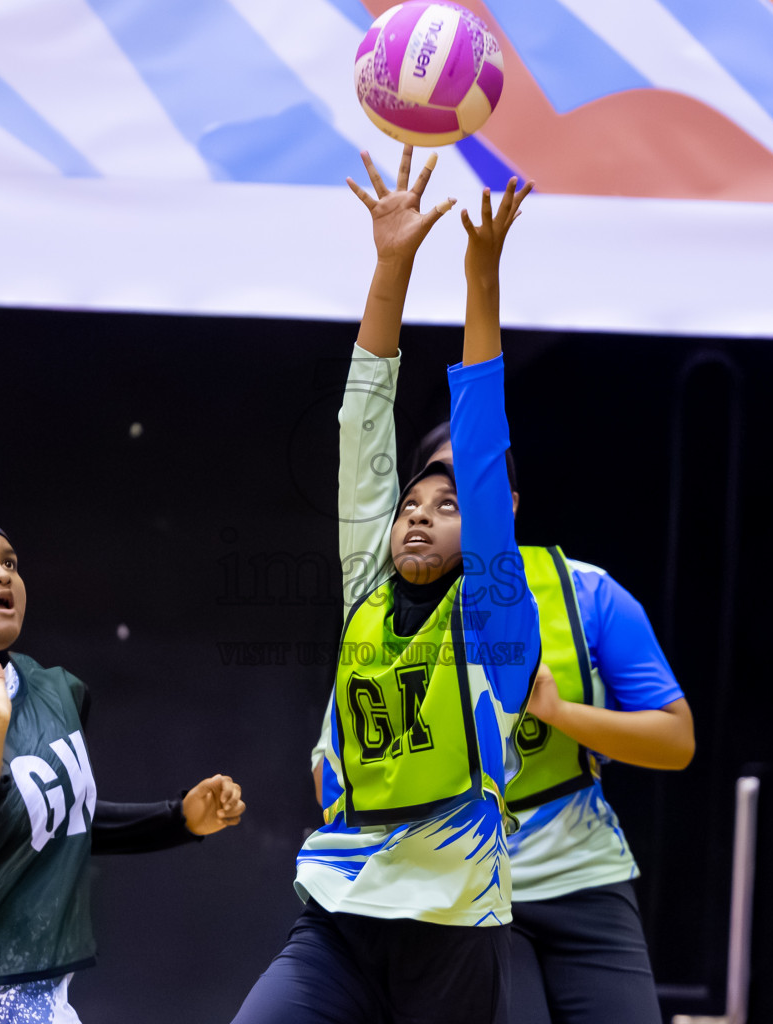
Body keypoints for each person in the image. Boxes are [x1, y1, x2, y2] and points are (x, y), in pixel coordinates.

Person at [230, 146, 538, 1024]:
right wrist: (391, 263)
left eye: (445, 507)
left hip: (452, 925)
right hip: (340, 911)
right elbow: (362, 421)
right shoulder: (368, 584)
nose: (417, 513)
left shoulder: (494, 619)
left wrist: (481, 279)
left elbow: (479, 451)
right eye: (411, 500)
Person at [0, 514, 246, 1024]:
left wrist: (176, 818)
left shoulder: (46, 689)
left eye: (9, 562)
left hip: (31, 986)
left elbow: (46, 818)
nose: (2, 575)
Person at [409, 423, 695, 1023]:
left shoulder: (588, 591)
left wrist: (559, 712)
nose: (460, 504)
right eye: (442, 493)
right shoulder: (389, 615)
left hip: (584, 878)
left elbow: (676, 741)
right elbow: (332, 771)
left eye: (480, 490)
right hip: (468, 894)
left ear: (509, 505)